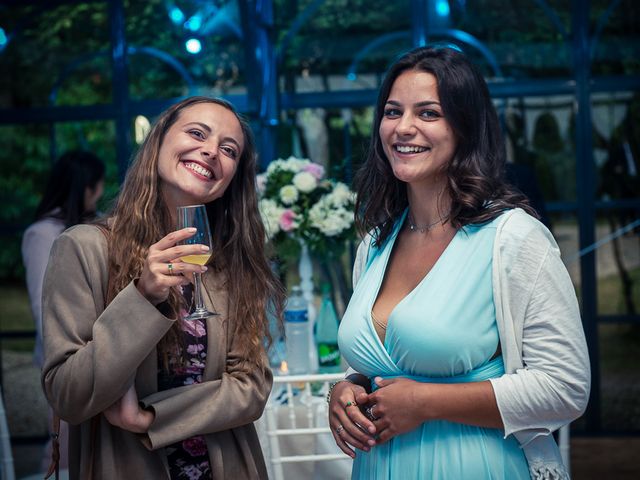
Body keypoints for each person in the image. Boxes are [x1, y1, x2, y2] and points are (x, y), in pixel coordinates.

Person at [327, 46, 590, 479]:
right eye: (393, 112)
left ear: (465, 127)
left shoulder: (512, 237)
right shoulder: (375, 243)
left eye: (428, 113)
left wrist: (424, 402)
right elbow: (387, 364)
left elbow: (565, 387)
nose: (403, 127)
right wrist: (348, 388)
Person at [41, 96, 285, 479]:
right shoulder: (84, 248)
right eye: (196, 133)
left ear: (232, 177)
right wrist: (143, 296)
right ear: (158, 142)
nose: (210, 151)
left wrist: (150, 418)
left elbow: (251, 387)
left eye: (228, 149)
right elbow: (69, 395)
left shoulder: (229, 261)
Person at [21, 149, 105, 472]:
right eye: (96, 186)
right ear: (85, 187)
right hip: (67, 354)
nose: (99, 193)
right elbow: (42, 304)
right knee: (66, 443)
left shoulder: (91, 227)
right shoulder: (41, 234)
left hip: (101, 352)